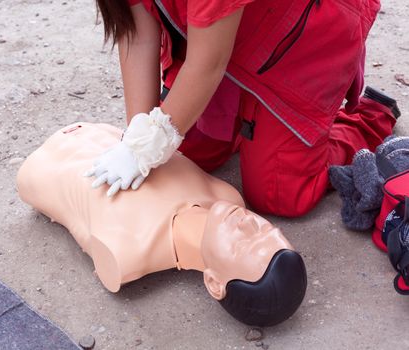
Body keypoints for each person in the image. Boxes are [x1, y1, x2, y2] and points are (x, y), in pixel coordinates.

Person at [86, 0, 400, 217]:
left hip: (304, 34)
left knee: (279, 195)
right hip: (225, 32)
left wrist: (147, 146)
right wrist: (137, 140)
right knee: (187, 157)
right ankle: (248, 120)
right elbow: (138, 36)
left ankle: (369, 116)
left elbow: (209, 64)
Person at [16, 122, 307, 326]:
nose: (249, 223)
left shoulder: (126, 254)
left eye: (244, 244)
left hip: (43, 162)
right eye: (266, 228)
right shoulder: (226, 197)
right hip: (97, 130)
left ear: (214, 283)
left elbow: (71, 214)